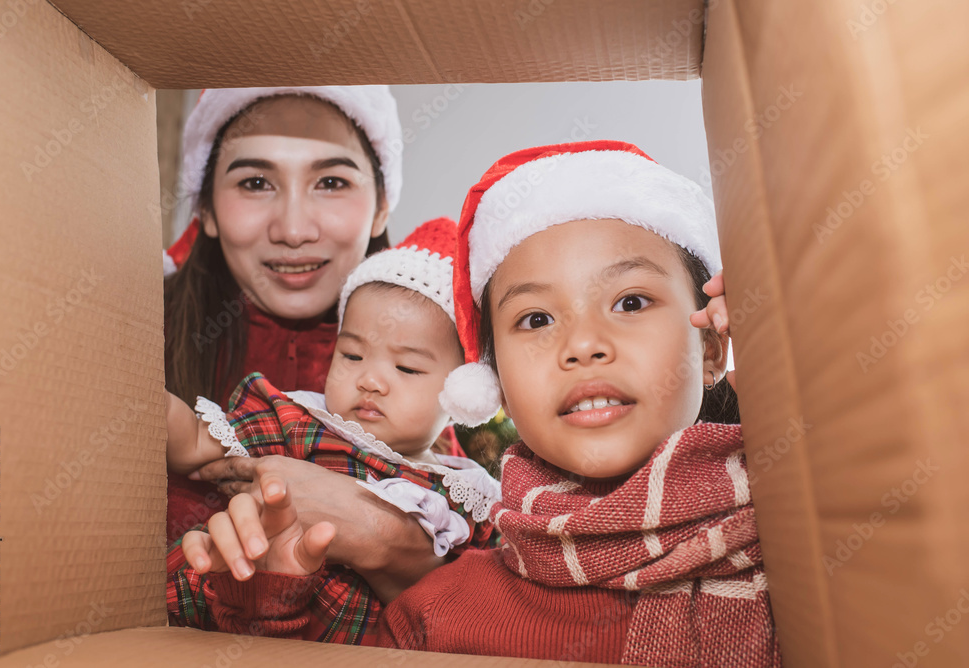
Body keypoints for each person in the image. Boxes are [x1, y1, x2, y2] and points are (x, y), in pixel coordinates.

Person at [176, 141, 779, 667]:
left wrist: (802, 365)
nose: (584, 345)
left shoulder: (800, 524)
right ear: (497, 386)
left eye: (630, 302)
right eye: (536, 318)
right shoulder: (439, 613)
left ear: (710, 345)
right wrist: (272, 592)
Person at [164, 87, 457, 601]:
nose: (294, 230)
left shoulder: (428, 383)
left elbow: (473, 604)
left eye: (331, 181)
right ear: (205, 209)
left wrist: (384, 538)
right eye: (255, 182)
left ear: (382, 206)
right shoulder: (129, 333)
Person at [166, 219, 500, 644]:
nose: (370, 380)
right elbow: (196, 442)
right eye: (353, 354)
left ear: (459, 395)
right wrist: (147, 406)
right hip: (243, 612)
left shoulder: (464, 495)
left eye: (407, 367)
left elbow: (472, 599)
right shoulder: (301, 421)